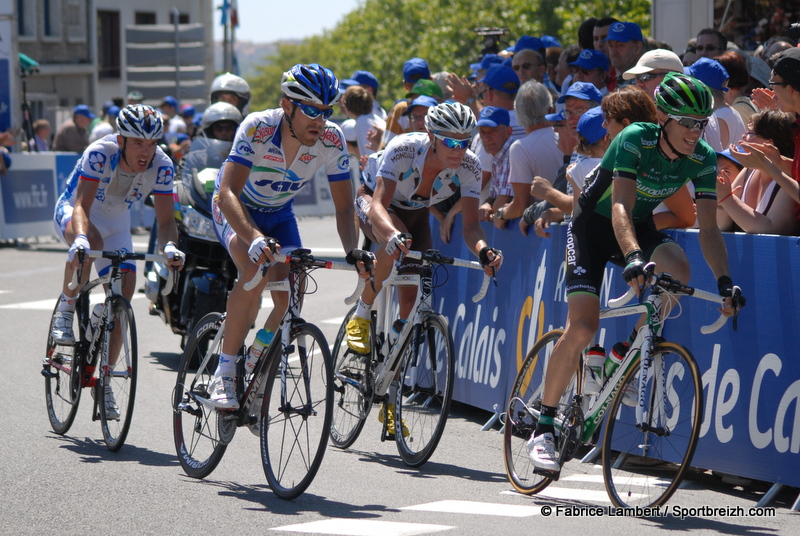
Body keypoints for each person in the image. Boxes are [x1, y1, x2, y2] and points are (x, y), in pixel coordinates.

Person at [526, 73, 740, 472]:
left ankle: (625, 353)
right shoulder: (635, 139)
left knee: (678, 267)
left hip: (636, 225)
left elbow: (708, 228)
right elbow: (620, 205)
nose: (696, 131)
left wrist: (725, 282)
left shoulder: (703, 158)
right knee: (583, 329)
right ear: (663, 116)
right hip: (592, 227)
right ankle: (544, 427)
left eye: (702, 122)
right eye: (687, 122)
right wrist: (635, 258)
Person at [207, 63, 369, 409]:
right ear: (287, 106)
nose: (319, 120)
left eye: (326, 111)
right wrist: (252, 238)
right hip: (237, 206)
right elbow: (228, 192)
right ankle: (224, 371)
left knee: (290, 298)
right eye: (311, 110)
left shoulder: (331, 139)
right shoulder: (258, 128)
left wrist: (352, 252)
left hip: (279, 213)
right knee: (253, 272)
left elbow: (344, 208)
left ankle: (257, 354)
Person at [345, 101, 502, 435]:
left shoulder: (470, 167)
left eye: (466, 140)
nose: (459, 149)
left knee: (411, 306)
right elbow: (378, 206)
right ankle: (362, 311)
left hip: (416, 213)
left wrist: (485, 252)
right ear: (431, 136)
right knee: (395, 245)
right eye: (451, 141)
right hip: (375, 202)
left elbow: (471, 228)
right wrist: (391, 236)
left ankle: (389, 390)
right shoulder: (403, 150)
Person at [51, 105, 185, 412]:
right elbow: (82, 207)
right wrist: (82, 238)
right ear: (121, 139)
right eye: (138, 143)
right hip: (76, 213)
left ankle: (105, 381)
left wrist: (169, 249)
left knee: (124, 292)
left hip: (117, 223)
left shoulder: (163, 165)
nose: (145, 152)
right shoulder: (100, 153)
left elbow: (166, 223)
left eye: (151, 144)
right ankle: (67, 307)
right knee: (91, 245)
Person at [717, 110, 799, 235]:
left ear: (768, 144)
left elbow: (770, 230)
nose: (743, 138)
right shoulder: (748, 170)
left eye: (749, 133)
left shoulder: (789, 179)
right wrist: (722, 199)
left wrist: (727, 200)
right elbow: (721, 224)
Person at [605, 21, 645, 88]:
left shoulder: (645, 81)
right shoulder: (617, 79)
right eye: (610, 45)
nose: (613, 52)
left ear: (637, 48)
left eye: (620, 45)